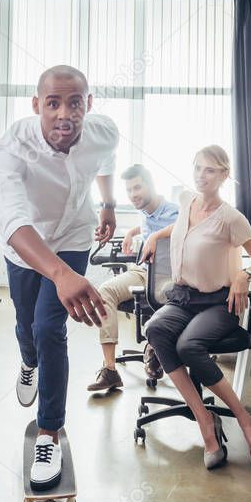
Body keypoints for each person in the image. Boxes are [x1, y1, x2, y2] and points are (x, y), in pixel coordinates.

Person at [0, 65, 119, 488]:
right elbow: (12, 220)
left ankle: (49, 432)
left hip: (74, 236)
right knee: (28, 329)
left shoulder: (103, 131)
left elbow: (106, 158)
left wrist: (108, 204)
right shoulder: (11, 148)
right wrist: (60, 274)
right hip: (25, 246)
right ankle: (27, 363)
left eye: (75, 102)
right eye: (53, 103)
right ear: (36, 106)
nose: (65, 113)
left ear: (89, 104)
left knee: (50, 329)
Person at [142, 145, 251, 471]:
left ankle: (245, 422)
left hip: (218, 303)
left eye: (210, 170)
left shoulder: (232, 218)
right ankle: (204, 417)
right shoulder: (187, 202)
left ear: (224, 175)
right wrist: (154, 235)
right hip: (183, 298)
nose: (202, 174)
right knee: (155, 329)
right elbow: (183, 229)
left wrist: (244, 274)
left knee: (189, 346)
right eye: (198, 167)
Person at [87, 164, 178, 392]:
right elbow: (146, 223)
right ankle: (110, 370)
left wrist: (156, 236)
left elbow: (187, 226)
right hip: (143, 273)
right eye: (128, 190)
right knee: (104, 291)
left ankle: (154, 345)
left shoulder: (174, 211)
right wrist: (131, 232)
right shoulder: (145, 209)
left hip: (170, 277)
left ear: (151, 185)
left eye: (137, 187)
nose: (133, 194)